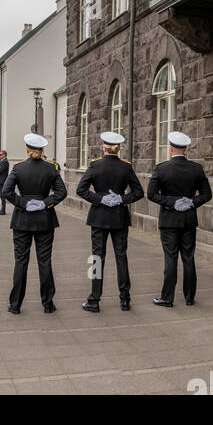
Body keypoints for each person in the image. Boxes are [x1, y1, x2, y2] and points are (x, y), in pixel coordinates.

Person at [76, 132, 146, 312]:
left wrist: (100, 199)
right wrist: (121, 199)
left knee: (97, 258)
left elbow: (81, 190)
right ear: (118, 148)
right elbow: (138, 193)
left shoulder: (95, 166)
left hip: (99, 217)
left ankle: (94, 300)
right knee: (121, 257)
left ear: (104, 147)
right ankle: (125, 299)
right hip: (119, 217)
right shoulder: (126, 167)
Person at [0, 135, 67, 314]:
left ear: (27, 150)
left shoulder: (18, 168)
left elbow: (6, 191)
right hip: (45, 219)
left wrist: (23, 203)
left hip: (22, 220)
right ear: (42, 150)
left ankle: (15, 305)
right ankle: (47, 303)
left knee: (21, 262)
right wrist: (45, 203)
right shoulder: (51, 169)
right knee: (44, 262)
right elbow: (62, 192)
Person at [146, 132, 212, 307]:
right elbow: (207, 195)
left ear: (171, 148)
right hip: (188, 219)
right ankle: (190, 297)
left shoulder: (161, 168)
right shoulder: (196, 169)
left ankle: (167, 298)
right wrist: (190, 203)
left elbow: (151, 194)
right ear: (186, 148)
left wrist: (171, 202)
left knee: (171, 258)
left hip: (169, 220)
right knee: (188, 258)